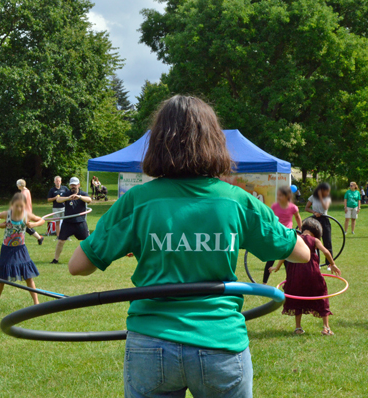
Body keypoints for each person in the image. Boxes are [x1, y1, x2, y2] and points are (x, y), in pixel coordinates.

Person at [66, 95, 310, 398]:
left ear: (158, 142)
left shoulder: (137, 201)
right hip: (220, 343)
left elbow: (77, 266)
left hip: (151, 344)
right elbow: (302, 253)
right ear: (214, 141)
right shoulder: (236, 200)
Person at [270, 218, 341, 336]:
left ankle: (298, 328)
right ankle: (326, 328)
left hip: (295, 275)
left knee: (297, 297)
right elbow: (326, 252)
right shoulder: (315, 240)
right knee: (322, 296)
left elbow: (285, 254)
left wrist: (276, 267)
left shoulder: (294, 239)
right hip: (312, 273)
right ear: (316, 232)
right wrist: (332, 264)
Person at [0, 192, 45, 311]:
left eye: (21, 206)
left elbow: (41, 220)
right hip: (7, 249)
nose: (19, 208)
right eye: (16, 206)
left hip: (21, 249)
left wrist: (34, 224)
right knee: (2, 278)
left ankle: (36, 303)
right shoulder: (7, 214)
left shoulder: (27, 215)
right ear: (12, 205)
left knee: (28, 276)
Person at [263, 186, 302, 284]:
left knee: (288, 262)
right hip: (276, 235)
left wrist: (301, 229)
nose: (278, 197)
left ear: (287, 196)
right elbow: (271, 219)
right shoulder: (275, 206)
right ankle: (264, 283)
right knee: (271, 259)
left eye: (280, 195)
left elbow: (297, 217)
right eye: (278, 195)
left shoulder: (293, 207)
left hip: (287, 236)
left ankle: (290, 283)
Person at [50, 177, 91, 264]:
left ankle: (90, 258)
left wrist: (79, 197)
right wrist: (68, 198)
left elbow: (89, 200)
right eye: (72, 185)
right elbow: (58, 199)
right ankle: (55, 259)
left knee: (87, 241)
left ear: (78, 185)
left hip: (80, 222)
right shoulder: (66, 193)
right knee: (61, 241)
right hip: (68, 222)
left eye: (75, 185)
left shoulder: (82, 194)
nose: (73, 186)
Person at [306, 183, 333, 263]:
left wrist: (321, 197)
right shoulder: (313, 197)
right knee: (315, 242)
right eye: (326, 191)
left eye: (329, 191)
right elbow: (306, 208)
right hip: (315, 220)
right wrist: (314, 212)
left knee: (327, 241)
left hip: (324, 220)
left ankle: (329, 263)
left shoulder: (327, 198)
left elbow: (325, 207)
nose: (328, 193)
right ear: (321, 190)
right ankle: (316, 262)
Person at [16, 179, 44, 245]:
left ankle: (18, 240)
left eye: (17, 184)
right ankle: (39, 238)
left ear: (19, 185)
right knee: (24, 226)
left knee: (21, 226)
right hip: (27, 211)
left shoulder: (24, 192)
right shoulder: (26, 191)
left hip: (25, 212)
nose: (17, 186)